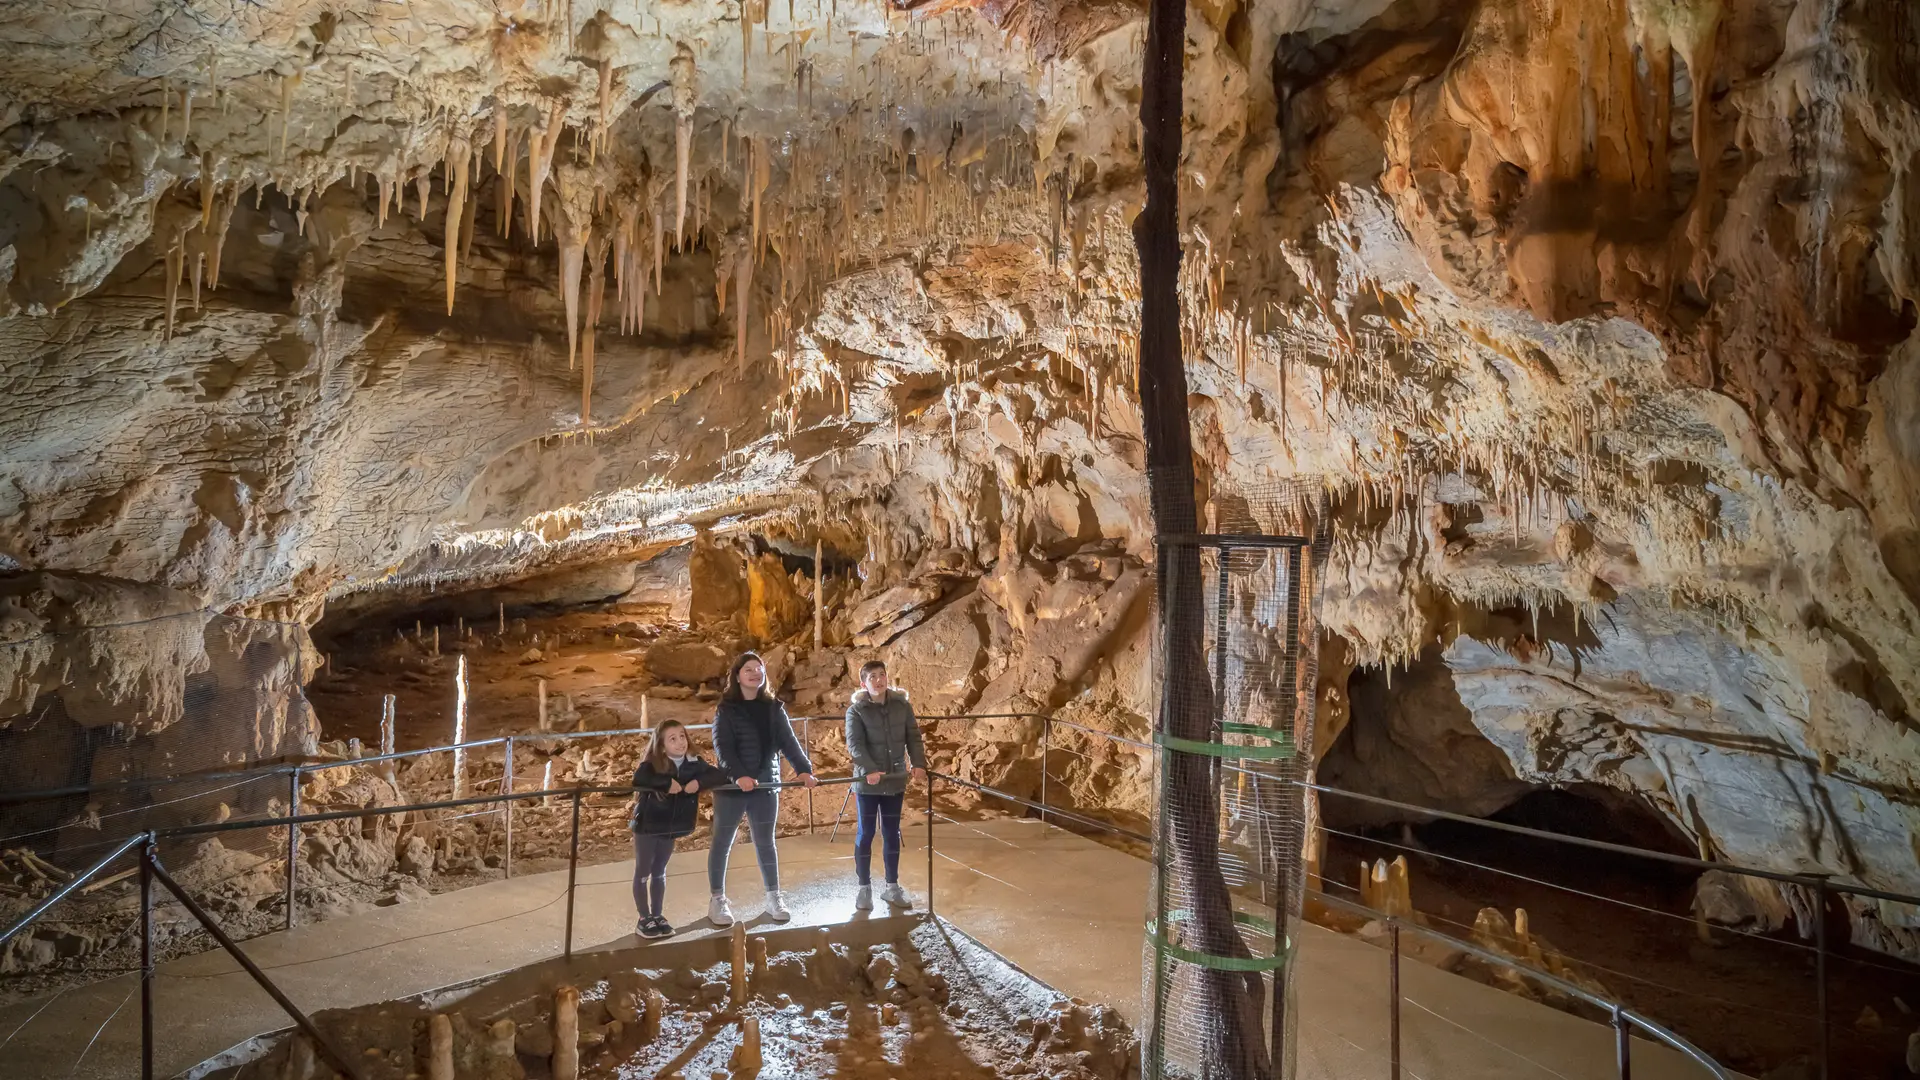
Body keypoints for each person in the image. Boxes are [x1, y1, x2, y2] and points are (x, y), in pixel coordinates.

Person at [708, 651, 816, 925]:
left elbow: (788, 742)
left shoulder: (773, 708)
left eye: (759, 668)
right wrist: (739, 776)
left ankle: (773, 896)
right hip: (732, 789)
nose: (755, 673)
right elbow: (724, 748)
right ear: (737, 675)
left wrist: (804, 770)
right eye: (749, 669)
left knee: (766, 842)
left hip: (766, 785)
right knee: (723, 842)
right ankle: (717, 899)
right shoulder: (726, 709)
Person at [628, 719, 726, 939]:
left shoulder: (693, 762)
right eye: (673, 739)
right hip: (648, 825)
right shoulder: (654, 763)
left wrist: (698, 783)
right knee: (643, 871)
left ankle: (658, 915)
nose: (680, 742)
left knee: (660, 871)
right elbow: (639, 778)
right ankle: (644, 918)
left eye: (682, 736)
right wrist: (665, 784)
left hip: (670, 827)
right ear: (662, 745)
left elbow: (718, 775)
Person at [843, 659, 927, 910]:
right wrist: (869, 769)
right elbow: (855, 743)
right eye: (873, 677)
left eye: (882, 675)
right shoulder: (856, 711)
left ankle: (892, 887)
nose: (879, 680)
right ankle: (864, 888)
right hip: (868, 784)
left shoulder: (902, 705)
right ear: (863, 683)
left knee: (891, 832)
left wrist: (918, 763)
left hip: (894, 780)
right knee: (866, 833)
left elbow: (913, 736)